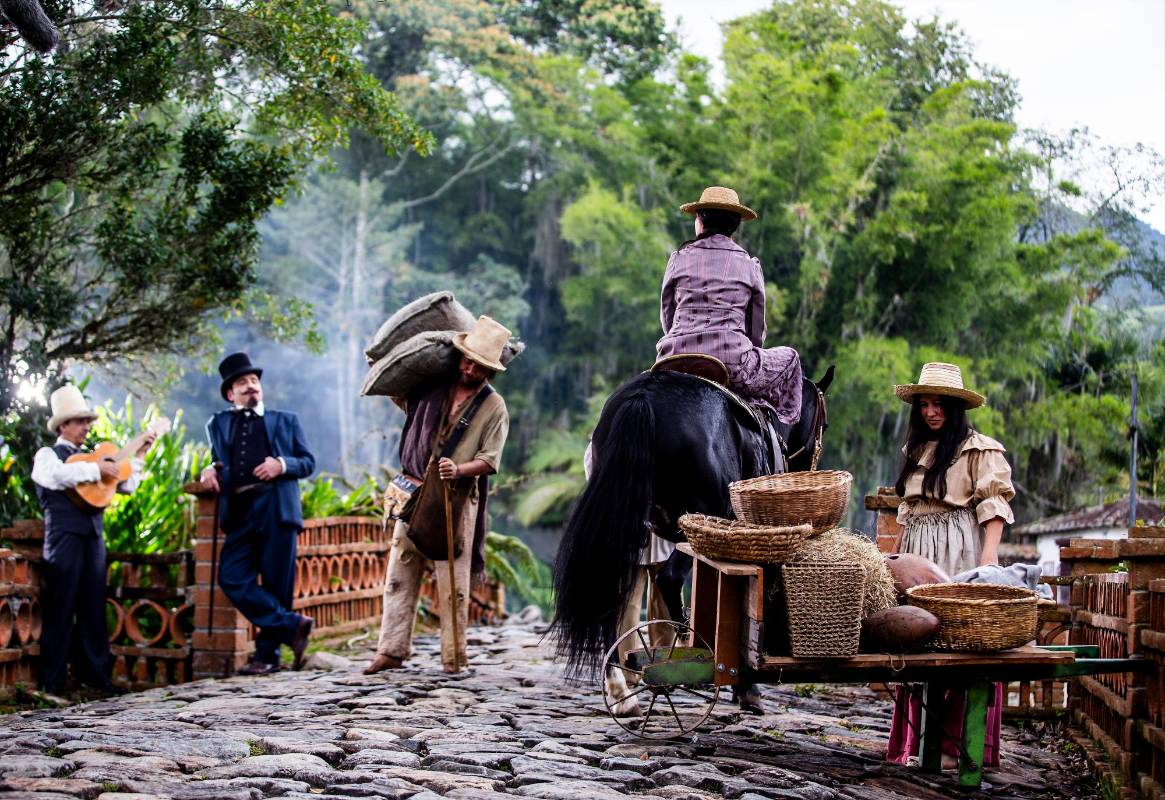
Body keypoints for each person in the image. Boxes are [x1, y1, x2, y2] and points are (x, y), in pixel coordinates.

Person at [886, 361, 1016, 770]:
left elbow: (994, 504)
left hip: (957, 543)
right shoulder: (917, 450)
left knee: (957, 641)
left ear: (955, 407)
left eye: (939, 404)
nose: (931, 411)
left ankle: (952, 745)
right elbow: (907, 510)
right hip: (917, 546)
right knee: (916, 637)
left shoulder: (979, 448)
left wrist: (988, 557)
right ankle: (916, 743)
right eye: (924, 404)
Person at [365, 316, 511, 674]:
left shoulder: (495, 408)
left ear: (489, 372)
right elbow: (404, 401)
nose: (470, 368)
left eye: (479, 366)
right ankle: (391, 650)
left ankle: (453, 656)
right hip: (414, 487)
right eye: (466, 360)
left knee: (453, 581)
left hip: (456, 498)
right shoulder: (432, 389)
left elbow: (490, 461)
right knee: (400, 571)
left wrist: (458, 470)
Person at [200, 353, 316, 676]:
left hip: (276, 506)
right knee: (231, 576)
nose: (251, 387)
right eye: (242, 383)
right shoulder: (218, 423)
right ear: (230, 394)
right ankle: (293, 625)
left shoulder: (285, 419)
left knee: (278, 582)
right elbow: (216, 459)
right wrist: (208, 469)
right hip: (239, 509)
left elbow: (307, 461)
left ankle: (268, 656)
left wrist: (281, 464)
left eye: (254, 381)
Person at [33, 385, 152, 695]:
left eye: (87, 421)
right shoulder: (48, 455)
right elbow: (54, 476)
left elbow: (126, 485)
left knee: (93, 608)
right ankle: (52, 681)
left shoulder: (97, 456)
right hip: (63, 538)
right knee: (60, 606)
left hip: (93, 538)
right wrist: (95, 468)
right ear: (63, 426)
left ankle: (96, 678)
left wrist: (136, 456)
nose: (87, 427)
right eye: (80, 421)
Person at [656, 186, 803, 425]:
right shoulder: (749, 265)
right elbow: (756, 332)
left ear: (700, 221)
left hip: (674, 360)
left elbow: (667, 318)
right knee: (791, 358)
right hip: (732, 366)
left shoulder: (678, 258)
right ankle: (778, 434)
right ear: (735, 225)